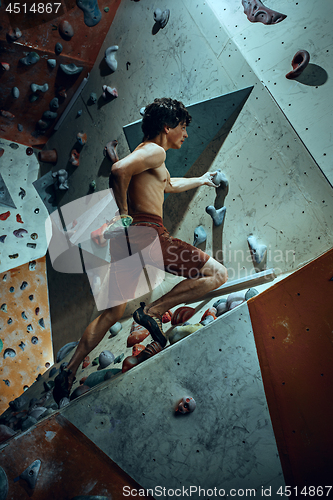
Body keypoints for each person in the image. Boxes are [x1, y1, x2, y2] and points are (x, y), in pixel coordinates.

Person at [53, 97, 227, 403]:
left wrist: (201, 180)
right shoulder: (155, 150)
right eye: (183, 127)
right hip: (147, 233)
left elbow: (169, 184)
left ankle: (68, 370)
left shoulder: (150, 157)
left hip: (129, 241)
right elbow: (118, 170)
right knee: (217, 274)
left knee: (111, 313)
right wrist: (123, 214)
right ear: (167, 126)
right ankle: (153, 312)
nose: (185, 135)